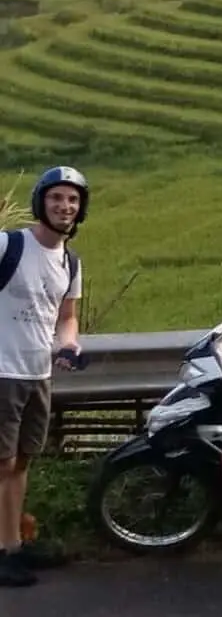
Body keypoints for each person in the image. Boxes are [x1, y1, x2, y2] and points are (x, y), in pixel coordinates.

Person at [0, 166, 88, 588]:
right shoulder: (8, 246)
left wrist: (67, 345)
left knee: (21, 463)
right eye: (56, 198)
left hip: (38, 374)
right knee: (1, 465)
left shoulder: (70, 262)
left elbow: (66, 318)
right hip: (1, 372)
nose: (64, 206)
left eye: (72, 200)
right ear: (41, 202)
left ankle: (12, 545)